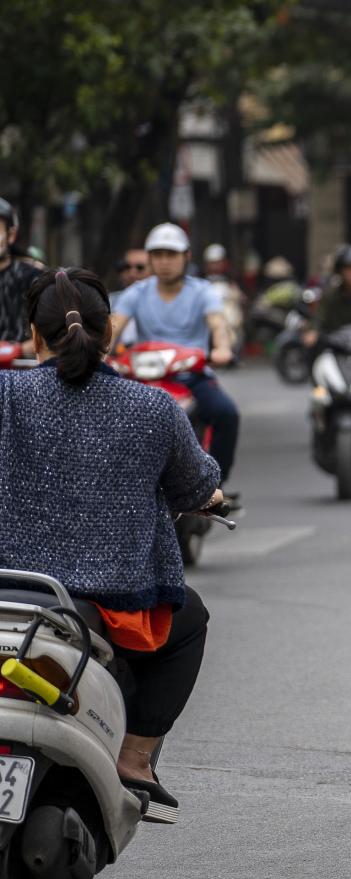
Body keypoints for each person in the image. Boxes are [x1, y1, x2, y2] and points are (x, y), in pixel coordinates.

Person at [4, 268, 223, 823]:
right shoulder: (152, 409)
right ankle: (135, 757)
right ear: (109, 336)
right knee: (190, 619)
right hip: (112, 609)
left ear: (35, 334)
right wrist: (210, 496)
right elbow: (197, 486)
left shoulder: (5, 394)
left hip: (11, 593)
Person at [112, 223, 241, 484]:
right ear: (149, 259)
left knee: (227, 414)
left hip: (191, 376)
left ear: (186, 257)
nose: (165, 262)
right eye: (158, 255)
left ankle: (215, 485)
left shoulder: (203, 291)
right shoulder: (135, 293)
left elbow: (218, 324)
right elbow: (112, 328)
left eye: (171, 255)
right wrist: (96, 353)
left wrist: (222, 349)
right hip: (144, 380)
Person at [0, 197, 43, 347]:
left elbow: (54, 329)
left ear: (11, 235)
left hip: (23, 365)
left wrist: (21, 349)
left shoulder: (32, 277)